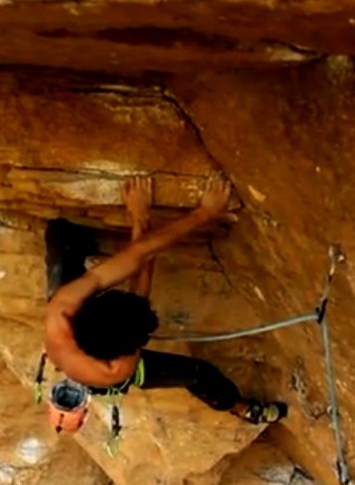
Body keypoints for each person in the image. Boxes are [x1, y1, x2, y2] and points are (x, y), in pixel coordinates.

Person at [44, 175, 287, 424]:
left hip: (84, 314)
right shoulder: (117, 369)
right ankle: (240, 407)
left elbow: (140, 252)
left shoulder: (62, 308)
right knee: (198, 374)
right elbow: (141, 283)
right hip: (105, 362)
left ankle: (90, 262)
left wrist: (144, 213)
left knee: (61, 239)